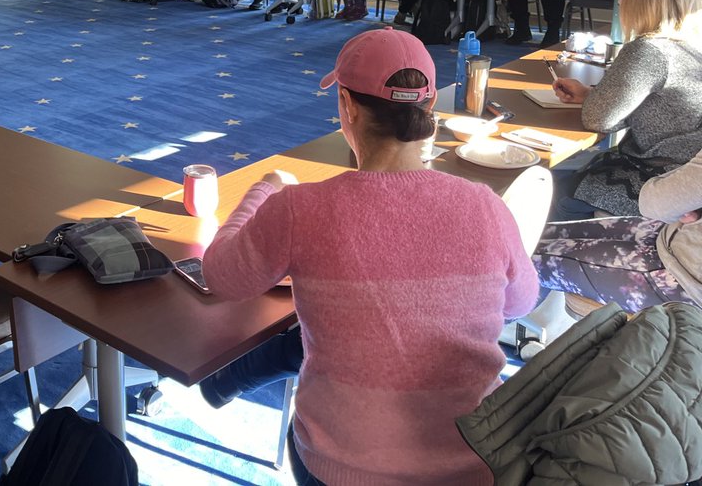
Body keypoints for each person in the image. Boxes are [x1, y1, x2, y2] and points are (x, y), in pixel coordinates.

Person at [202, 28, 538, 485]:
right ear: (429, 105)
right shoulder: (484, 204)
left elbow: (222, 276)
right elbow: (521, 303)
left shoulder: (299, 208)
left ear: (348, 106)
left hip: (341, 467)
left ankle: (224, 384)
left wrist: (264, 191)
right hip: (476, 464)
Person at [548, 0, 702, 219]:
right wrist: (589, 94)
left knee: (545, 190)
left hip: (658, 180)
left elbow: (598, 119)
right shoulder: (692, 47)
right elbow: (655, 106)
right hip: (686, 179)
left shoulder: (649, 50)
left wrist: (594, 101)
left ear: (640, 3)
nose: (620, 2)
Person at [534, 146, 702, 314]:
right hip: (675, 235)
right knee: (535, 237)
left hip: (683, 281)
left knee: (524, 257)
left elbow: (655, 203)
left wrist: (681, 198)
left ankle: (510, 321)